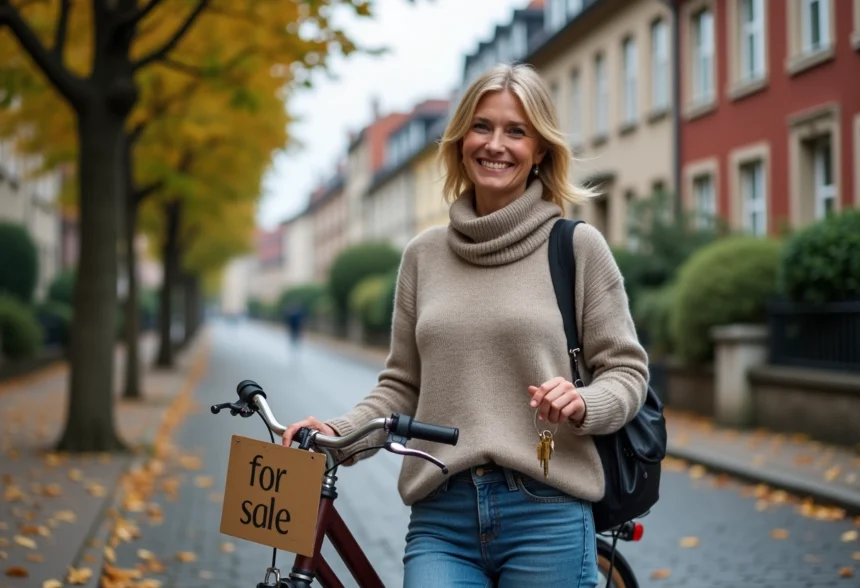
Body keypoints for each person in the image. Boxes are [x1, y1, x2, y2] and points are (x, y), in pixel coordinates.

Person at [282, 63, 649, 588]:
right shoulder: (423, 256)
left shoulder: (577, 247)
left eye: (516, 131)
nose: (495, 144)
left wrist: (584, 402)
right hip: (442, 514)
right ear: (460, 141)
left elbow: (627, 373)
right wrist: (338, 434)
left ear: (540, 150)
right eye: (482, 126)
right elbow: (401, 385)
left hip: (546, 509)